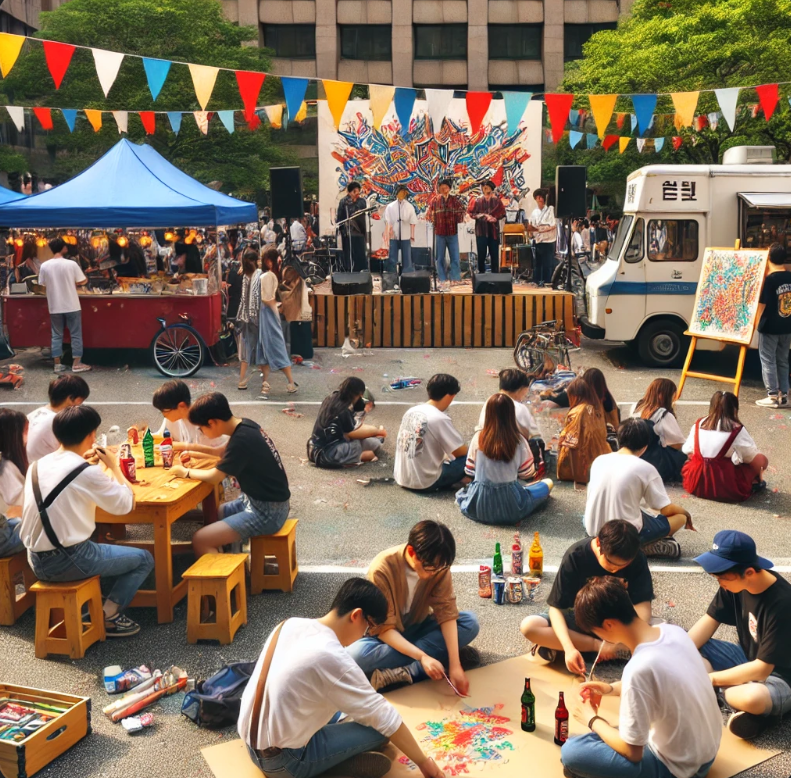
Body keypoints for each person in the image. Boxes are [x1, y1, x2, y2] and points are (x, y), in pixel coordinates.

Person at [239, 578, 445, 778]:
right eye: (368, 627)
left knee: (345, 705)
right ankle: (331, 765)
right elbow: (385, 718)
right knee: (380, 731)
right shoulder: (331, 656)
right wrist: (424, 763)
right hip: (285, 762)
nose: (364, 635)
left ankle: (328, 756)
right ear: (356, 615)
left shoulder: (290, 624)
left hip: (251, 742)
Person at [561, 576, 721, 778]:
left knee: (572, 752)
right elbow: (659, 682)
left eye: (596, 632)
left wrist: (590, 718)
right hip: (708, 752)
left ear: (609, 625)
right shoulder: (672, 632)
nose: (600, 638)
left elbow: (632, 753)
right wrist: (609, 689)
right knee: (608, 735)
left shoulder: (639, 668)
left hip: (678, 768)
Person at [20, 405, 152, 637]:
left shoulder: (37, 465)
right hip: (69, 559)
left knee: (94, 539)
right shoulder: (86, 472)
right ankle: (108, 615)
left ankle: (90, 606)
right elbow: (126, 504)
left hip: (33, 558)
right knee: (144, 559)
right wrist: (113, 466)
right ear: (92, 435)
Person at [347, 521, 480, 693]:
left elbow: (446, 612)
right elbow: (384, 628)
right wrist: (423, 656)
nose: (435, 573)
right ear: (411, 552)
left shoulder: (439, 565)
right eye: (430, 568)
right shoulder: (381, 569)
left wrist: (456, 665)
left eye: (440, 568)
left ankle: (409, 671)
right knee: (356, 655)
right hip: (388, 638)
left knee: (470, 623)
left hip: (418, 628)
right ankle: (427, 663)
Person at [690, 530, 791, 740]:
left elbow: (762, 669)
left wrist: (708, 679)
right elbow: (709, 621)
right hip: (746, 659)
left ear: (750, 572)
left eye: (722, 577)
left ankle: (733, 700)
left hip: (778, 678)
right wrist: (675, 650)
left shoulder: (782, 603)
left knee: (752, 698)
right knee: (679, 640)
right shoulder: (733, 583)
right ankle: (743, 709)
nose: (719, 581)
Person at [521, 520, 653, 671]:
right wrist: (569, 648)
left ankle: (606, 649)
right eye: (611, 563)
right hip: (581, 620)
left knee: (662, 635)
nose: (616, 570)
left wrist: (631, 638)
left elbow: (642, 604)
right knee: (529, 626)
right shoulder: (576, 556)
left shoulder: (636, 557)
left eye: (623, 566)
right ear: (598, 543)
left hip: (619, 626)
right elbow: (556, 608)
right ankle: (596, 648)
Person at [168, 393, 290, 557]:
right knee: (221, 512)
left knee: (200, 540)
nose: (201, 432)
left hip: (267, 513)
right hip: (265, 502)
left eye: (201, 428)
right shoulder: (246, 426)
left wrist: (185, 472)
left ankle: (225, 579)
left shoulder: (241, 441)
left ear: (212, 423)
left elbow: (215, 477)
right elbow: (220, 453)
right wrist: (191, 451)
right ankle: (234, 557)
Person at [585, 419, 693, 558]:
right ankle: (642, 547)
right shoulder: (645, 468)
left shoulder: (599, 460)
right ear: (645, 446)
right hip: (623, 536)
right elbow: (665, 509)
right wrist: (686, 514)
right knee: (680, 518)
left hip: (594, 531)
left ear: (619, 439)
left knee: (639, 510)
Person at [456, 394, 552, 525]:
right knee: (547, 483)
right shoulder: (519, 441)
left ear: (488, 413)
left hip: (479, 505)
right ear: (510, 414)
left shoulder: (478, 438)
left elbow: (470, 470)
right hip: (511, 506)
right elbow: (527, 474)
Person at [682, 391, 768, 502]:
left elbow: (687, 449)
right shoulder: (736, 430)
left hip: (696, 482)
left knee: (694, 458)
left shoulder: (699, 424)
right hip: (724, 484)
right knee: (761, 460)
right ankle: (754, 483)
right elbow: (753, 459)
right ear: (734, 409)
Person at [394, 374, 468, 492]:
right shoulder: (439, 418)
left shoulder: (411, 411)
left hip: (402, 478)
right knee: (473, 456)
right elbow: (460, 452)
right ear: (450, 396)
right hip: (425, 482)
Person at [38, 237, 91, 373]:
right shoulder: (71, 264)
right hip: (72, 304)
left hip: (54, 305)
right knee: (75, 334)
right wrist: (75, 282)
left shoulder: (44, 265)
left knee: (56, 335)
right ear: (63, 248)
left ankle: (57, 364)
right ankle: (77, 364)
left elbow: (42, 283)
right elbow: (83, 280)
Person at [309, 378, 385, 468]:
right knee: (364, 446)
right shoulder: (344, 409)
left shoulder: (331, 398)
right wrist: (377, 432)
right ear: (359, 394)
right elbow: (352, 433)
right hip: (326, 455)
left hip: (312, 448)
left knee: (372, 443)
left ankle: (362, 453)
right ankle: (362, 457)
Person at [256, 248, 298, 397]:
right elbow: (266, 298)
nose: (280, 264)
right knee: (276, 345)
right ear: (270, 261)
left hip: (265, 314)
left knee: (265, 348)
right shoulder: (269, 276)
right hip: (269, 314)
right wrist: (276, 307)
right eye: (278, 261)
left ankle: (268, 383)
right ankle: (289, 382)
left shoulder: (266, 275)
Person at [152, 379, 228, 457]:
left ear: (181, 406)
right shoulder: (172, 419)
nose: (163, 414)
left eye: (164, 410)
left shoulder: (203, 422)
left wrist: (182, 447)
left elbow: (214, 454)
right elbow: (160, 437)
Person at [755, 243, 791, 408]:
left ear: (768, 258)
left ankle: (772, 395)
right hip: (786, 325)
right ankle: (784, 395)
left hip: (769, 326)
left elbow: (762, 304)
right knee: (783, 360)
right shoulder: (789, 276)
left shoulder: (770, 279)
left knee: (768, 360)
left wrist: (754, 323)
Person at [631, 378, 687, 482]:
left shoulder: (637, 407)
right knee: (684, 456)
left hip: (635, 456)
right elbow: (677, 443)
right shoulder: (663, 414)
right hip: (654, 461)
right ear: (662, 395)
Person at [556, 378, 610, 484]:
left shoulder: (577, 412)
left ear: (575, 395)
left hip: (581, 462)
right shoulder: (596, 409)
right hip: (601, 458)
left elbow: (572, 442)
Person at [27, 374, 90, 462]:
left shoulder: (35, 413)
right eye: (81, 400)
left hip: (29, 467)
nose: (81, 404)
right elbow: (75, 453)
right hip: (45, 470)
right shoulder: (60, 423)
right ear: (70, 398)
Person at [476, 368, 541, 440]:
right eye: (525, 393)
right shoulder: (519, 408)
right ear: (521, 389)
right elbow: (534, 434)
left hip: (485, 445)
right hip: (511, 447)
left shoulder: (489, 401)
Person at [426, 179, 466, 290]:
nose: (443, 189)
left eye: (445, 187)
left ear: (449, 188)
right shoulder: (435, 201)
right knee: (439, 258)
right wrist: (433, 220)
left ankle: (455, 279)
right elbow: (429, 215)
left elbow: (462, 212)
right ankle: (442, 279)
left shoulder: (454, 200)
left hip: (452, 232)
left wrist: (458, 218)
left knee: (455, 257)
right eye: (441, 187)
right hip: (440, 233)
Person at [0, 409, 28, 556]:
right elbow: (23, 505)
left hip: (4, 526)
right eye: (26, 430)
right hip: (2, 540)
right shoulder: (5, 467)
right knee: (52, 528)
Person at [235, 249, 262, 391]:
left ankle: (242, 380)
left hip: (246, 317)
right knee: (264, 348)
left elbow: (243, 299)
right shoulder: (259, 275)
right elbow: (255, 299)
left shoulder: (246, 276)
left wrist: (241, 315)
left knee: (246, 350)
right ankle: (266, 381)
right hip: (256, 318)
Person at [467, 180, 506, 273]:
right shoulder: (477, 200)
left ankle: (495, 275)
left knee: (494, 254)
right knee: (481, 254)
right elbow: (472, 213)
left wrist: (495, 218)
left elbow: (502, 213)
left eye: (487, 187)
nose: (485, 188)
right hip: (481, 231)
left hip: (493, 231)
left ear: (491, 188)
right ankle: (481, 275)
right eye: (483, 187)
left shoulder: (497, 201)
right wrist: (483, 216)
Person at [280, 264, 314, 359]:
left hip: (298, 319)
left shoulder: (298, 283)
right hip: (302, 319)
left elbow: (288, 300)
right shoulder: (299, 282)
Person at [384, 186, 417, 274]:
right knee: (392, 258)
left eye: (404, 192)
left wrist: (412, 235)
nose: (402, 194)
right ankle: (392, 277)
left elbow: (413, 221)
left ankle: (407, 277)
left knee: (407, 258)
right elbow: (388, 221)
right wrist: (387, 235)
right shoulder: (390, 207)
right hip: (394, 235)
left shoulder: (409, 206)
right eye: (400, 192)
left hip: (406, 235)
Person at [337, 182, 368, 272]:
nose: (357, 193)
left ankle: (361, 270)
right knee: (349, 252)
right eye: (354, 191)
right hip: (347, 231)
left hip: (359, 230)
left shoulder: (362, 201)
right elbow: (340, 216)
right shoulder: (344, 201)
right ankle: (349, 270)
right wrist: (341, 229)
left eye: (358, 191)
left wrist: (354, 201)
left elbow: (360, 210)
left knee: (360, 252)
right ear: (349, 192)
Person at [528, 189, 557, 286]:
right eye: (537, 198)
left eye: (541, 197)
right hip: (538, 240)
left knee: (547, 264)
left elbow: (553, 225)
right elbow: (531, 225)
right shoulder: (534, 212)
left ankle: (547, 282)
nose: (539, 199)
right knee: (538, 264)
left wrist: (541, 229)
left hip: (548, 241)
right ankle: (537, 282)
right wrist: (530, 231)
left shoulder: (550, 209)